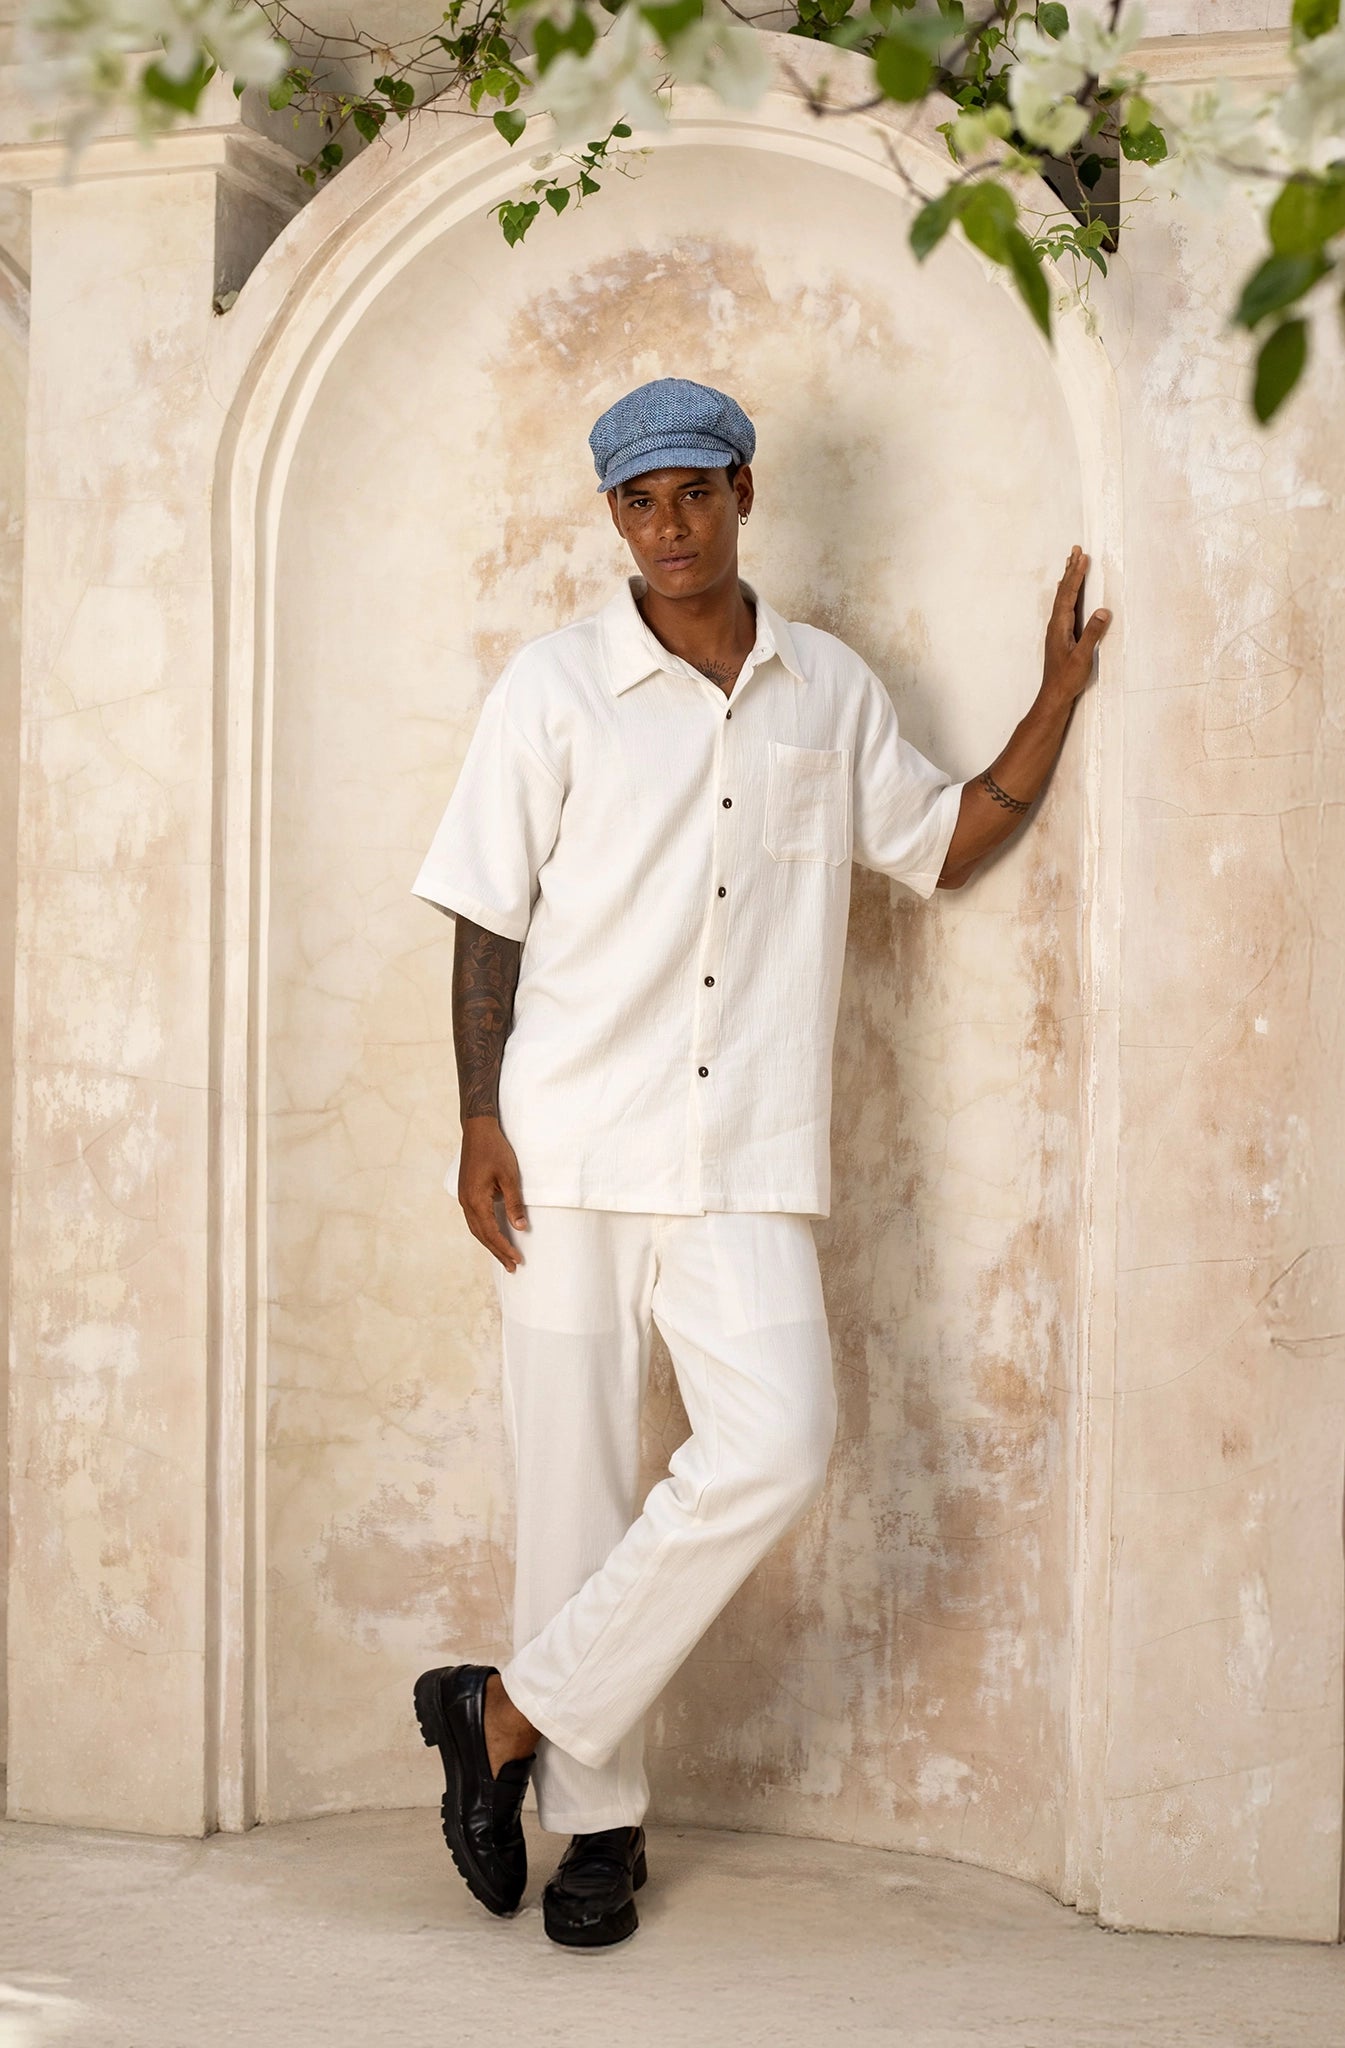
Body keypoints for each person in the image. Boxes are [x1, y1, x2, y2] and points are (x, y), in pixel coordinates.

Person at [409, 376, 1112, 1949]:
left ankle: (502, 1712)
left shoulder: (826, 689)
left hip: (743, 1157)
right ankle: (599, 1833)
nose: (668, 526)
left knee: (778, 1442)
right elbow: (486, 913)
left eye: (693, 492)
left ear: (743, 491)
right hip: (568, 1147)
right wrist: (475, 1117)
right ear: (612, 517)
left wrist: (1055, 698)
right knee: (575, 1493)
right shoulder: (551, 687)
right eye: (638, 501)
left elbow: (941, 843)